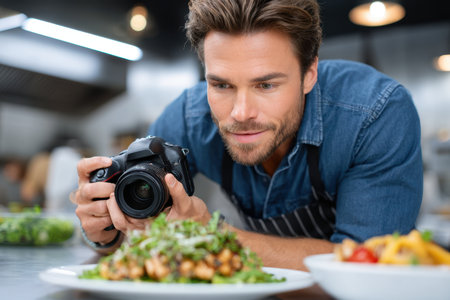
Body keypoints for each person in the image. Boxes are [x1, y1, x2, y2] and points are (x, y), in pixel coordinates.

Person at [73, 0, 423, 269]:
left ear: (309, 73)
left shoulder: (374, 113)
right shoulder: (189, 118)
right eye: (221, 84)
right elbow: (135, 230)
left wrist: (209, 234)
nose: (240, 113)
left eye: (266, 84)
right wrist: (107, 233)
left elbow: (366, 270)